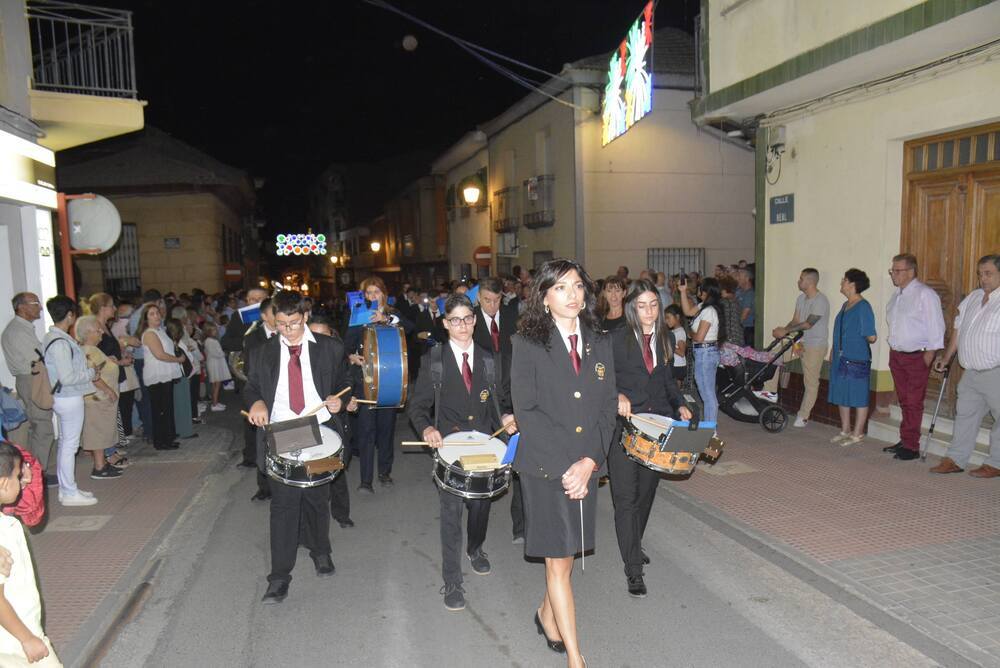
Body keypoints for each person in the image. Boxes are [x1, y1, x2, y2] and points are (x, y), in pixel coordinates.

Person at [511, 258, 617, 668]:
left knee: (567, 553)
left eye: (576, 286)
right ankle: (576, 656)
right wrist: (566, 467)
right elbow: (527, 411)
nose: (572, 295)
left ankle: (544, 614)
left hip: (585, 466)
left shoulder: (600, 341)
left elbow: (607, 408)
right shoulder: (527, 343)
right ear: (544, 296)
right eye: (560, 288)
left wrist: (589, 460)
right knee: (558, 560)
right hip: (544, 467)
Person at [407, 294, 515, 611]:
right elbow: (418, 408)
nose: (463, 325)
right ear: (445, 323)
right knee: (451, 515)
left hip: (484, 447)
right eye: (455, 320)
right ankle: (453, 580)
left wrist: (507, 418)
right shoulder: (434, 361)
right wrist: (426, 429)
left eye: (468, 318)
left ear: (475, 319)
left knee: (481, 508)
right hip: (450, 450)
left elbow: (500, 405)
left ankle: (476, 548)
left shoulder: (489, 359)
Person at [244, 290, 350, 604]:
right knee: (284, 507)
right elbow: (250, 386)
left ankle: (321, 552)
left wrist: (339, 400)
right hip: (281, 431)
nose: (288, 331)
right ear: (272, 321)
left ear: (304, 317)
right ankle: (279, 577)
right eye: (281, 325)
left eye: (293, 323)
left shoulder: (329, 348)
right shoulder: (262, 351)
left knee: (318, 497)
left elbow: (347, 382)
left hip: (320, 431)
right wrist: (257, 402)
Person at [610, 280, 692, 598]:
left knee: (646, 494)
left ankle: (634, 543)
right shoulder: (614, 340)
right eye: (642, 305)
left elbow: (668, 383)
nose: (649, 311)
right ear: (632, 308)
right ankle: (633, 569)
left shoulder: (666, 338)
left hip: (658, 429)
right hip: (624, 430)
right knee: (626, 500)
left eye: (654, 305)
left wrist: (681, 404)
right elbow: (599, 382)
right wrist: (616, 394)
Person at [929, 255, 1000, 477]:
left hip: (995, 372)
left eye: (988, 274)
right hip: (970, 372)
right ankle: (956, 459)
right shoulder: (973, 297)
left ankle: (996, 463)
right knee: (965, 415)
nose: (983, 279)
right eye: (980, 274)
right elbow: (958, 331)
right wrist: (947, 357)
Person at [345, 277, 413, 492]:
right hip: (364, 381)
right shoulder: (357, 314)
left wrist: (386, 318)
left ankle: (384, 472)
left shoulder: (393, 313)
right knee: (366, 431)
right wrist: (351, 357)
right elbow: (345, 345)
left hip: (389, 381)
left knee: (386, 430)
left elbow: (410, 328)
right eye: (368, 293)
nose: (372, 296)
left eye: (376, 292)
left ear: (384, 294)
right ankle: (366, 481)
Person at [470, 277, 523, 542]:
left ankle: (521, 526)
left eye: (496, 300)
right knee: (485, 460)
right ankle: (476, 511)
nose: (492, 306)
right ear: (479, 298)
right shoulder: (470, 321)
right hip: (482, 398)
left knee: (522, 459)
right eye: (487, 300)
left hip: (512, 394)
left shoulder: (513, 316)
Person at [0, 443, 62, 667]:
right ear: (4, 483)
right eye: (18, 476)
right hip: (15, 637)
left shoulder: (6, 523)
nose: (24, 480)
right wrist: (26, 638)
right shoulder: (4, 531)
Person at [884, 254, 945, 461]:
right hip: (897, 355)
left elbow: (936, 325)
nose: (893, 274)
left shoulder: (925, 294)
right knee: (904, 400)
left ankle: (911, 447)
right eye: (892, 270)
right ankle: (905, 439)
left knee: (913, 401)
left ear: (911, 272)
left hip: (916, 356)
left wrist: (929, 354)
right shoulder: (897, 295)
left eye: (897, 270)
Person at [1, 293, 55, 485]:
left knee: (39, 426)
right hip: (31, 379)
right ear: (22, 307)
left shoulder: (21, 329)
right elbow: (40, 357)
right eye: (35, 303)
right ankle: (39, 473)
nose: (40, 307)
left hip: (31, 378)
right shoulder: (17, 331)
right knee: (42, 425)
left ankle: (37, 469)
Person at [307, 315, 355, 529]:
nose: (318, 340)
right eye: (313, 335)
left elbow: (347, 383)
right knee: (309, 473)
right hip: (306, 424)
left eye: (323, 335)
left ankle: (341, 513)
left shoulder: (336, 355)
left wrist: (342, 401)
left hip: (331, 422)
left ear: (332, 336)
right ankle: (308, 525)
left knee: (334, 470)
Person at [772, 268, 831, 428]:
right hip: (799, 341)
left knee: (811, 381)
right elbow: (796, 320)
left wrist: (786, 331)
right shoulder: (801, 299)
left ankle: (803, 415)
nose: (799, 281)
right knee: (773, 358)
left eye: (801, 279)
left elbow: (808, 324)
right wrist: (783, 331)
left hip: (815, 345)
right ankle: (768, 395)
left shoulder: (820, 301)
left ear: (810, 282)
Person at [828, 269, 878, 446]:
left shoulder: (863, 306)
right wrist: (834, 350)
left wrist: (861, 337)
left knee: (858, 395)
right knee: (842, 393)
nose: (841, 282)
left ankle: (858, 433)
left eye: (844, 280)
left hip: (856, 358)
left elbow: (871, 336)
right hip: (841, 357)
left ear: (852, 284)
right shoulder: (845, 305)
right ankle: (845, 429)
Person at [74, 316, 124, 480]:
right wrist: (108, 389)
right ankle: (99, 467)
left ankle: (102, 463)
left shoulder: (93, 349)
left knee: (103, 432)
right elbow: (92, 374)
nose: (101, 331)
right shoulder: (87, 350)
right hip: (97, 399)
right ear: (88, 332)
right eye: (98, 329)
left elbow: (100, 367)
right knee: (97, 432)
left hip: (101, 399)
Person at [138, 305, 184, 451]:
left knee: (167, 407)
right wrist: (178, 360)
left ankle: (168, 437)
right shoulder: (150, 333)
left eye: (157, 313)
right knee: (160, 410)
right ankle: (161, 441)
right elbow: (159, 354)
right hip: (157, 375)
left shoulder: (161, 331)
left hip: (165, 373)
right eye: (152, 314)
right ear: (146, 318)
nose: (156, 316)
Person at [680, 276, 725, 422]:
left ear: (705, 291)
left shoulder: (709, 311)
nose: (697, 290)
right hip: (704, 352)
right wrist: (682, 291)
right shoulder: (702, 307)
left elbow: (699, 336)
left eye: (700, 288)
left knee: (707, 394)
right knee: (706, 391)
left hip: (705, 352)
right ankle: (710, 428)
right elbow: (687, 311)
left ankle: (711, 430)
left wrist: (689, 333)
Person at [164, 319, 197, 440]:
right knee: (182, 404)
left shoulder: (173, 342)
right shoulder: (171, 343)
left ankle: (184, 429)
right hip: (178, 375)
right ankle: (184, 430)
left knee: (182, 403)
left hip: (180, 375)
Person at [202, 323, 230, 412]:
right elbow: (216, 353)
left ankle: (215, 402)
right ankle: (214, 404)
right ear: (208, 331)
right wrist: (223, 353)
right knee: (217, 384)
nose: (216, 331)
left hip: (214, 363)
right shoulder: (210, 341)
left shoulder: (209, 341)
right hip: (214, 364)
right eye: (214, 330)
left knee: (216, 384)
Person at [663, 304, 688, 385]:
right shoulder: (674, 331)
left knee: (675, 391)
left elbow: (681, 352)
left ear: (677, 317)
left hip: (677, 366)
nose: (666, 321)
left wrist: (668, 344)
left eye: (668, 318)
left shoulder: (680, 332)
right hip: (674, 365)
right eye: (665, 318)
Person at [718, 276, 745, 347]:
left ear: (723, 289)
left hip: (728, 340)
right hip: (738, 337)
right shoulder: (736, 301)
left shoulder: (723, 302)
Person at [736, 268, 755, 346]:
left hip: (746, 329)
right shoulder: (739, 291)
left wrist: (735, 327)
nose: (737, 278)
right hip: (740, 328)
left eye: (739, 276)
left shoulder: (750, 294)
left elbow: (744, 314)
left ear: (747, 279)